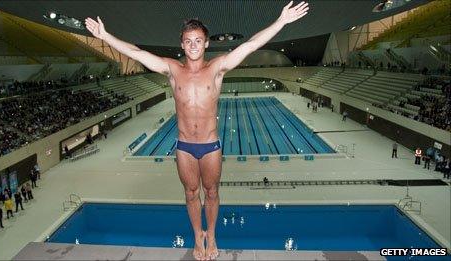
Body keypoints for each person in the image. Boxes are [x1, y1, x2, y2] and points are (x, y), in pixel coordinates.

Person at [85, 2, 309, 259]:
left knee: (212, 192)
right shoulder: (172, 69)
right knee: (191, 194)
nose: (193, 45)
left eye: (198, 40)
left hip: (210, 145)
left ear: (206, 44)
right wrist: (105, 36)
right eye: (188, 40)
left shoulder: (216, 69)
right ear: (182, 44)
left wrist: (281, 21)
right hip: (184, 147)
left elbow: (250, 45)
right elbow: (136, 52)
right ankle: (197, 236)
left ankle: (211, 234)